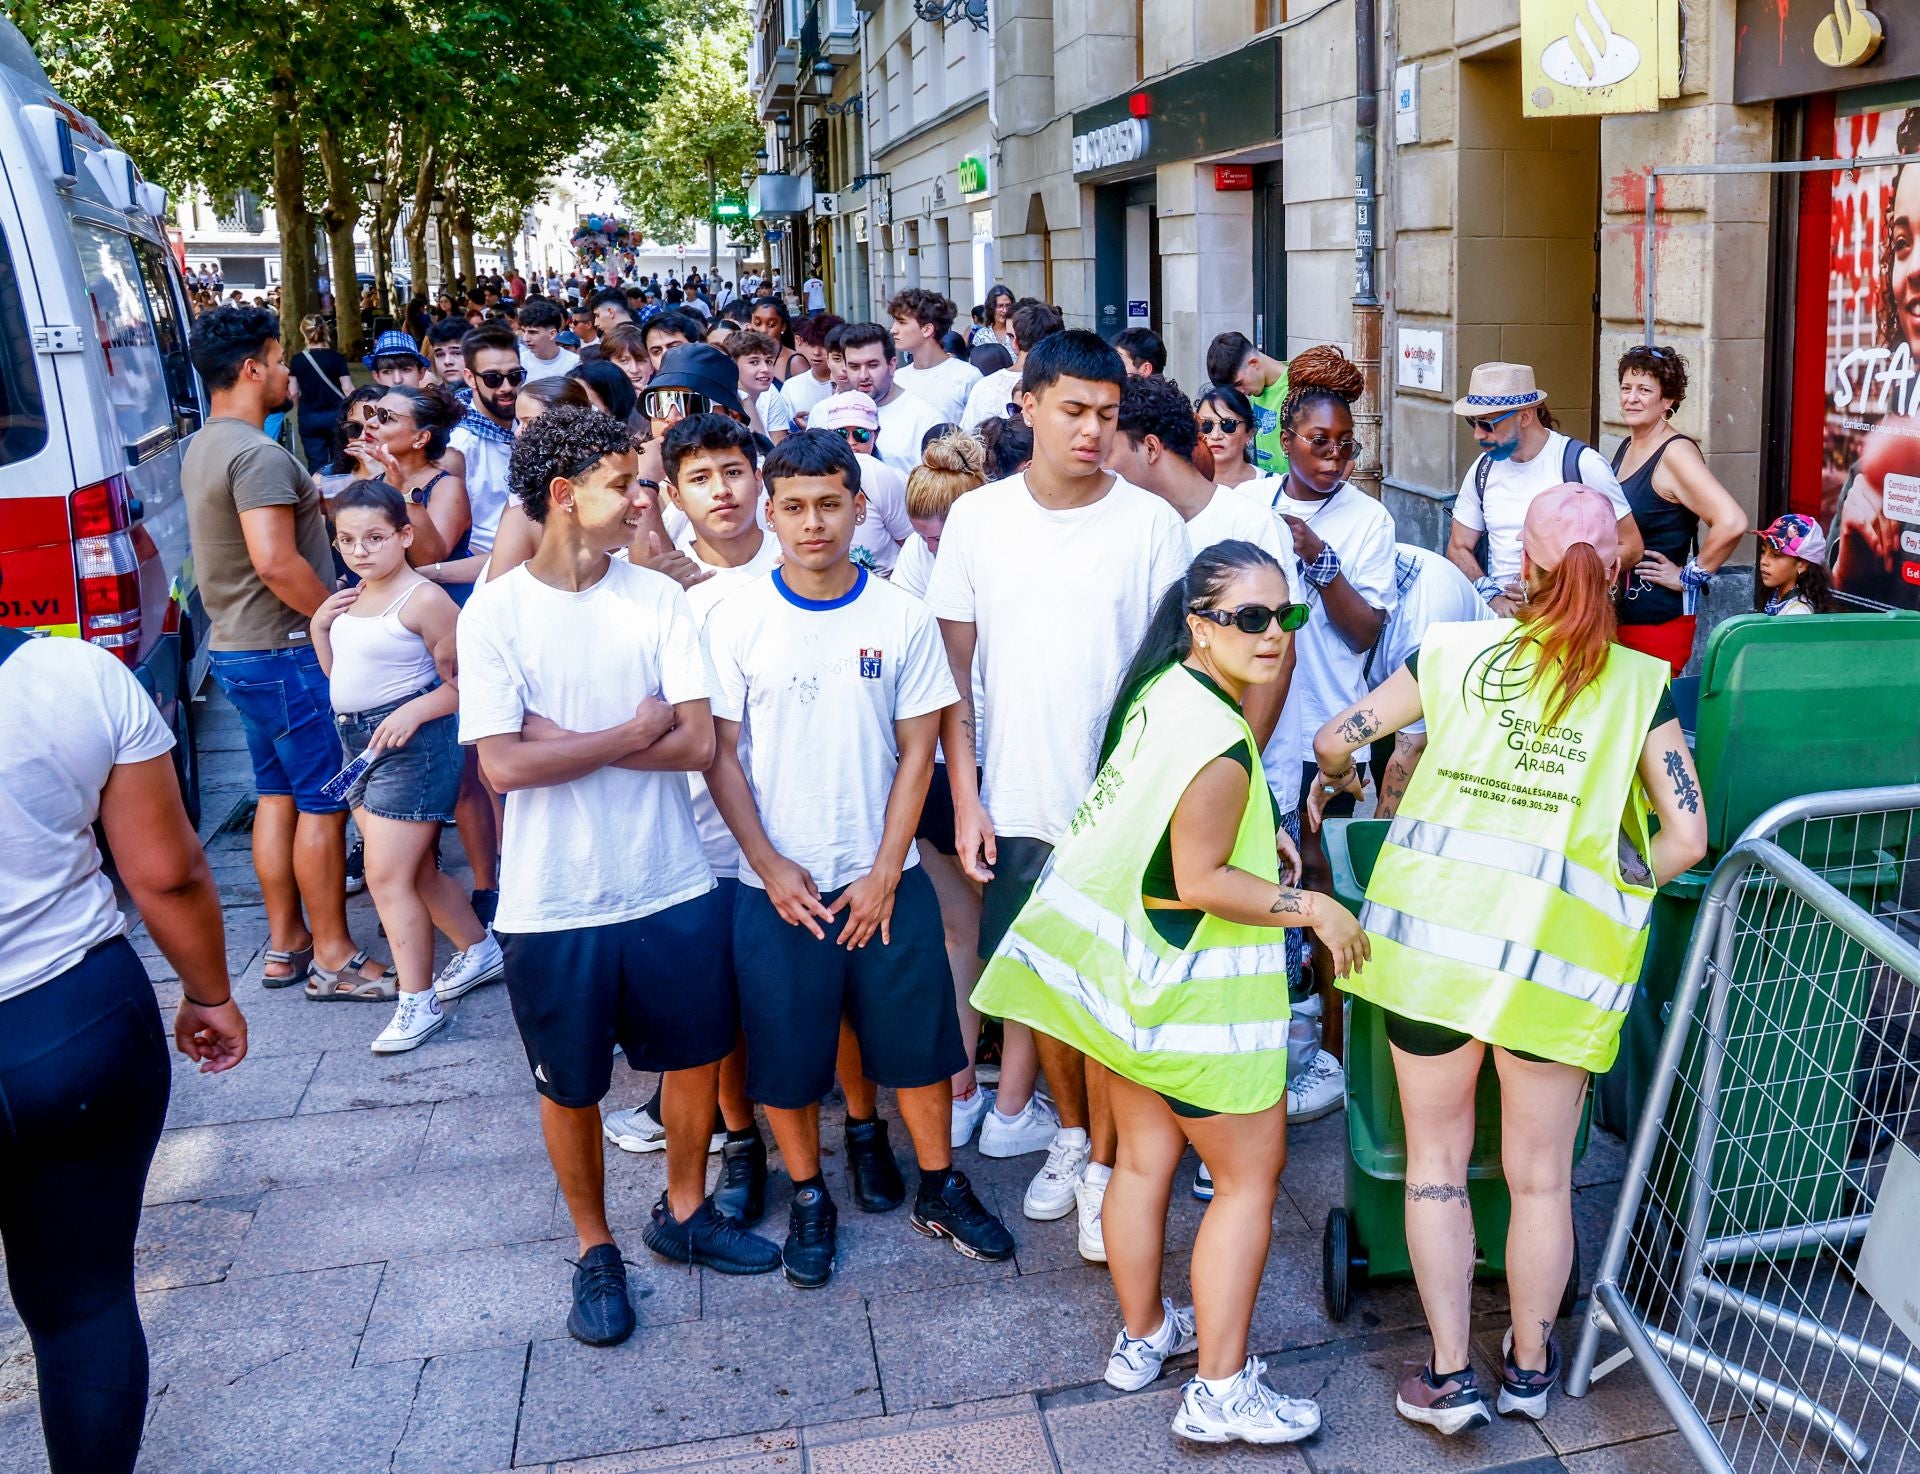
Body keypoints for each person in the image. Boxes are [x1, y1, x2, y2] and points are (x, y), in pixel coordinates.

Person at [1309, 483, 1707, 1435]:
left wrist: (1344, 776)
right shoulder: (1638, 686)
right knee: (1540, 1179)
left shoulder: (1451, 652)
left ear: (1519, 567)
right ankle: (1530, 1369)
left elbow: (1335, 736)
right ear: (1613, 566)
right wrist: (1623, 869)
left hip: (1432, 957)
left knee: (1436, 1165)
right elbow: (1688, 837)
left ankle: (1449, 1378)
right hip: (1555, 966)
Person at [974, 540, 1347, 1447]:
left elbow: (1169, 832)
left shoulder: (1164, 694)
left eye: (1286, 616)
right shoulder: (1220, 739)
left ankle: (1144, 1336)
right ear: (1199, 622)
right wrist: (1313, 908)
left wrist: (1263, 840)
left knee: (1141, 1163)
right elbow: (1199, 877)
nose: (1274, 636)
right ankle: (1220, 1390)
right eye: (1249, 619)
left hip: (1126, 991)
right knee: (1247, 1185)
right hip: (1195, 1004)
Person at [458, 406, 782, 1347]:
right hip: (552, 901)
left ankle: (683, 1213)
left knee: (691, 1060)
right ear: (565, 498)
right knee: (571, 1085)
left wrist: (570, 740)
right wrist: (627, 731)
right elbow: (503, 768)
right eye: (626, 485)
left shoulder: (657, 599)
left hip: (668, 881)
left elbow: (693, 741)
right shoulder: (497, 613)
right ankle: (595, 1247)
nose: (645, 499)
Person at [705, 429, 1015, 1287]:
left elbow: (921, 750)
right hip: (778, 886)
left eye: (830, 505)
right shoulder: (735, 617)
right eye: (795, 507)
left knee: (921, 1048)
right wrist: (767, 863)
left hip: (887, 874)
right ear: (771, 513)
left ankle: (941, 1184)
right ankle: (809, 1192)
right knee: (787, 1054)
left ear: (857, 509)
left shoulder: (900, 614)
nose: (814, 523)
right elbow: (722, 755)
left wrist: (885, 869)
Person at [926, 329, 1192, 1252]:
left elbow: (1174, 677)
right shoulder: (977, 521)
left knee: (1117, 992)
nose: (1091, 431)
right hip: (1022, 797)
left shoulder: (1153, 524)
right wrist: (967, 797)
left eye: (1108, 416)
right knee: (1049, 993)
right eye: (1073, 410)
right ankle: (1074, 1141)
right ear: (1027, 405)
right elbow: (951, 681)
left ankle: (1112, 1164)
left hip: (1127, 803)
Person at [0, 626, 250, 1474]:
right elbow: (166, 873)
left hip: (67, 1026)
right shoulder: (71, 676)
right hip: (68, 1022)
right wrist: (210, 992)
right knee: (86, 1303)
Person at [180, 306, 390, 995]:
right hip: (286, 650)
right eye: (278, 360)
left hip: (241, 650)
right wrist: (335, 617)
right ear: (251, 369)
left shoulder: (209, 444)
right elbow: (274, 561)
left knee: (276, 796)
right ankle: (333, 954)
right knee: (324, 802)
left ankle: (286, 944)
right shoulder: (258, 454)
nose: (288, 374)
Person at [1252, 346, 1399, 1119]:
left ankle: (1332, 1056)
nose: (1335, 457)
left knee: (1325, 888)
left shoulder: (1367, 520)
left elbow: (1365, 629)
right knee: (1271, 888)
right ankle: (1282, 1039)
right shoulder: (1250, 505)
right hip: (1262, 734)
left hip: (1333, 735)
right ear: (1285, 434)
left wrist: (1319, 559)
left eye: (1346, 444)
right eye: (1319, 441)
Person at [311, 482, 501, 1045]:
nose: (360, 550)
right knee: (412, 872)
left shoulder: (423, 599)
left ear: (404, 535)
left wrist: (417, 710)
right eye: (347, 540)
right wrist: (322, 626)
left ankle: (417, 1003)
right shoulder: (352, 595)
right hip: (359, 744)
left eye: (374, 537)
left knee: (385, 878)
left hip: (410, 748)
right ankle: (479, 948)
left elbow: (471, 685)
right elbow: (338, 676)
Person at [891, 431, 995, 1145]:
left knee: (1001, 930)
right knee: (964, 930)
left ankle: (998, 1078)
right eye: (922, 537)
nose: (931, 549)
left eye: (940, 538)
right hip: (939, 765)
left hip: (990, 765)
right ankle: (962, 1084)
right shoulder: (914, 558)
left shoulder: (995, 555)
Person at [1446, 362, 1642, 614]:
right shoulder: (1483, 469)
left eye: (1487, 424)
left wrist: (1549, 585)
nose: (1478, 435)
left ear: (1525, 416)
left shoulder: (1581, 464)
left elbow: (1632, 546)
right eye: (1473, 423)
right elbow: (1458, 546)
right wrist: (1491, 595)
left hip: (1566, 621)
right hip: (1499, 622)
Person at [1612, 346, 1748, 675]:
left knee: (1651, 722)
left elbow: (1731, 521)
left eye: (1645, 390)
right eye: (1626, 388)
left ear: (1667, 401)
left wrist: (1688, 576)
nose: (1632, 398)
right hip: (1621, 619)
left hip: (1656, 624)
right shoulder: (1628, 445)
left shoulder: (1676, 453)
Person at [1363, 544, 1494, 820]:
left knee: (1424, 801)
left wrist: (1377, 838)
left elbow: (1409, 750)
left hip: (1471, 696)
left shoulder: (1418, 629)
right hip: (1399, 671)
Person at [810, 391, 915, 574]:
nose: (851, 442)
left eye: (861, 434)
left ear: (876, 435)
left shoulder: (884, 476)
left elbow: (909, 543)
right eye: (841, 434)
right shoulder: (811, 476)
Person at [840, 322, 947, 477]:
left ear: (892, 365)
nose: (863, 376)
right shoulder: (826, 412)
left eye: (872, 365)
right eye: (854, 367)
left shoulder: (926, 419)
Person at [963, 302, 1063, 433]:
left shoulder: (984, 388)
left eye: (1010, 336)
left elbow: (967, 444)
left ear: (1016, 341)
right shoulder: (1071, 387)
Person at [889, 289, 983, 424]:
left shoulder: (967, 377)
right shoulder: (897, 378)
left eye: (902, 322)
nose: (893, 330)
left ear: (927, 329)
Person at [1206, 332, 1290, 474]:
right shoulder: (1256, 387)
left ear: (1254, 363)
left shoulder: (1298, 387)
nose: (1240, 392)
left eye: (1239, 383)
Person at [290, 314, 355, 471]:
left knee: (316, 464)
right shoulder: (336, 358)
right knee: (340, 461)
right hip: (336, 415)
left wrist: (301, 409)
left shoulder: (297, 360)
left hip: (309, 416)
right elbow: (347, 388)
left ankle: (319, 493)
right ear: (326, 331)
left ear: (303, 333)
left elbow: (293, 392)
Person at [724, 329, 796, 443]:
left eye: (768, 361)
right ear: (733, 366)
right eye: (754, 362)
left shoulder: (770, 391)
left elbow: (778, 448)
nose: (765, 369)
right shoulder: (725, 402)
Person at [1754, 514, 1834, 615]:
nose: (1763, 561)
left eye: (1775, 555)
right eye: (1763, 551)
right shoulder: (1776, 595)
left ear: (1803, 564)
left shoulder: (1798, 612)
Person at [785, 312, 845, 424]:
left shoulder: (850, 384)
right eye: (812, 344)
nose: (816, 352)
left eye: (823, 346)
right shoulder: (791, 387)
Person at [1196, 385, 1261, 489]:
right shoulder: (1185, 486)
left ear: (1249, 433)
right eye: (1206, 424)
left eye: (1228, 424)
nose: (1215, 435)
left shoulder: (1271, 487)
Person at [517, 298, 581, 382]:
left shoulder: (574, 363)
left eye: (532, 332)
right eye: (523, 331)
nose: (525, 338)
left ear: (552, 334)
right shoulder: (519, 363)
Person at [365, 328, 433, 389]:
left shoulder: (436, 402)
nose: (397, 380)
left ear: (421, 373)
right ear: (377, 377)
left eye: (406, 370)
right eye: (387, 372)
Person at [426, 318, 473, 398]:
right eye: (440, 355)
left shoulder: (490, 397)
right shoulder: (432, 402)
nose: (447, 361)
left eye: (456, 353)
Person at [977, 284, 1016, 352]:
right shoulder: (981, 335)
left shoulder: (1018, 333)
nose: (1005, 310)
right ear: (991, 307)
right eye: (1000, 306)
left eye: (1008, 305)